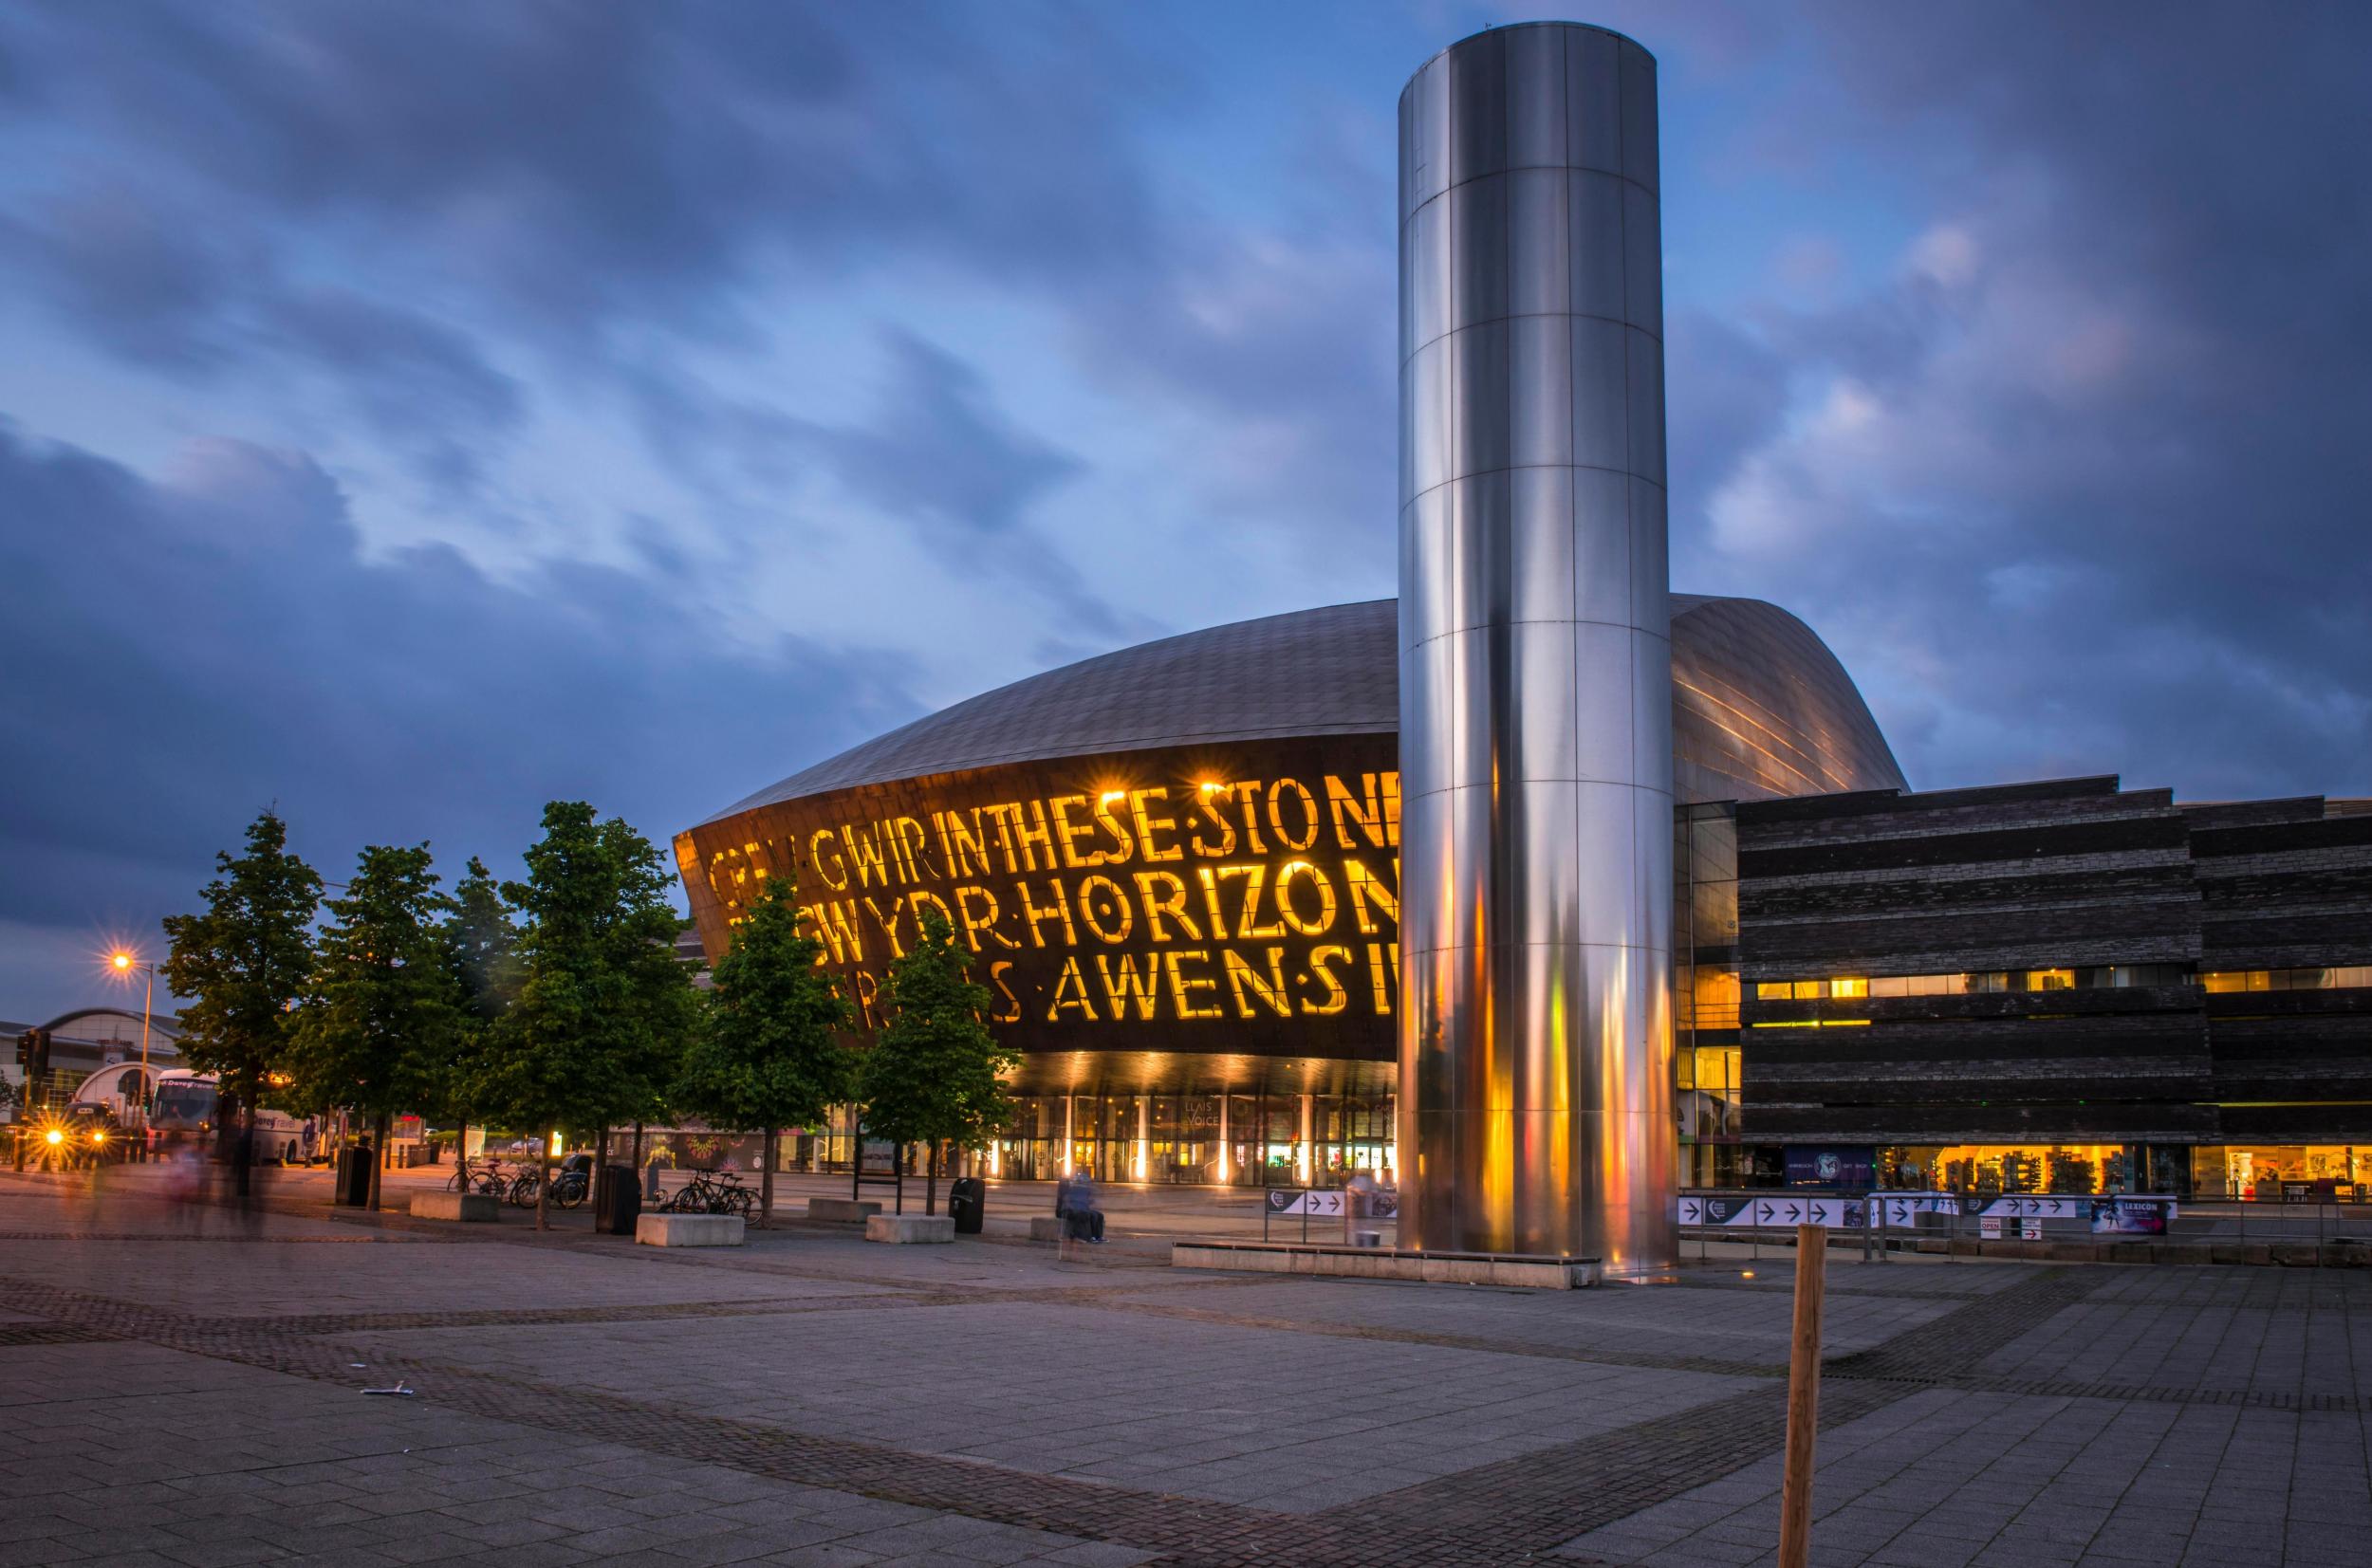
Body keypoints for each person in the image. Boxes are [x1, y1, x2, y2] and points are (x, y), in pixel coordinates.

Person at [1058, 1169, 1104, 1244]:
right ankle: (1086, 1236)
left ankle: (1098, 1236)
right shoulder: (1070, 1189)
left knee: (1099, 1215)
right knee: (1087, 1215)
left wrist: (1090, 1202)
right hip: (1069, 1210)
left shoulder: (1082, 1190)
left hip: (1080, 1208)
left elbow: (1086, 1201)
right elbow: (1067, 1201)